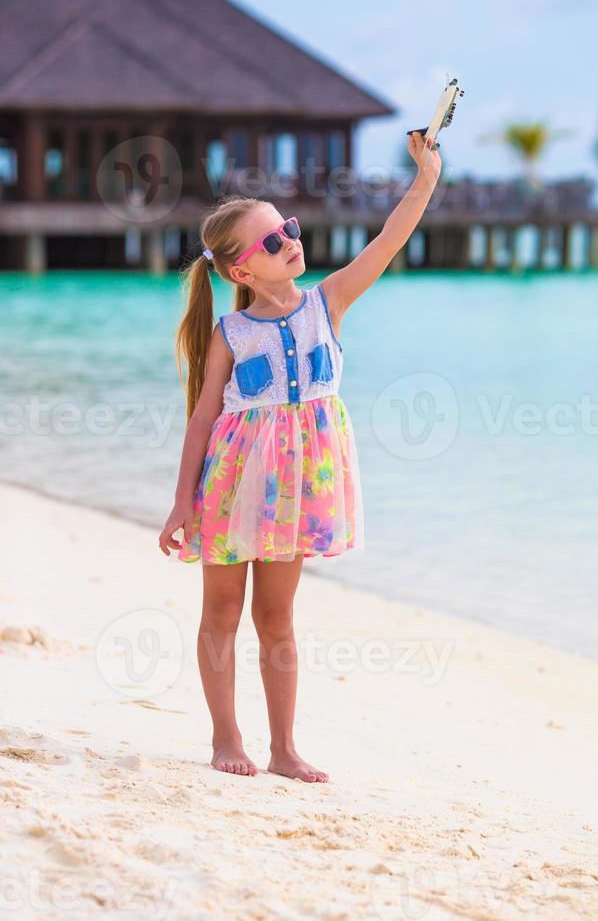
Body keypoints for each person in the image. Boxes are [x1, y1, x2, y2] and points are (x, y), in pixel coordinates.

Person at [158, 132, 442, 782]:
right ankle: (226, 737)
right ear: (240, 272)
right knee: (222, 612)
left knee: (276, 617)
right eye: (271, 241)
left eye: (286, 228)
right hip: (231, 485)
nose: (290, 240)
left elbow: (389, 241)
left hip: (295, 488)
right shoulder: (231, 332)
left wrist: (425, 177)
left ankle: (284, 747)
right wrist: (182, 501)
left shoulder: (329, 303)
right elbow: (205, 418)